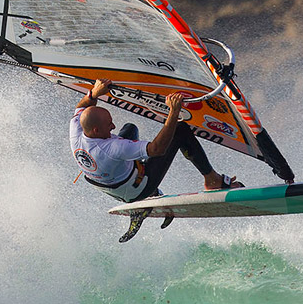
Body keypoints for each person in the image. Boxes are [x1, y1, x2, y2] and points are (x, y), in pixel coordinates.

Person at [71, 80, 242, 242]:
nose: (113, 126)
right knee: (180, 130)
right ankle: (213, 180)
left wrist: (94, 93)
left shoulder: (76, 130)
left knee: (129, 128)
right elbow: (156, 149)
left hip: (110, 183)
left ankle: (139, 194)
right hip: (139, 189)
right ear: (96, 129)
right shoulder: (113, 148)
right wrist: (173, 112)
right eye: (109, 124)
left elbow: (82, 107)